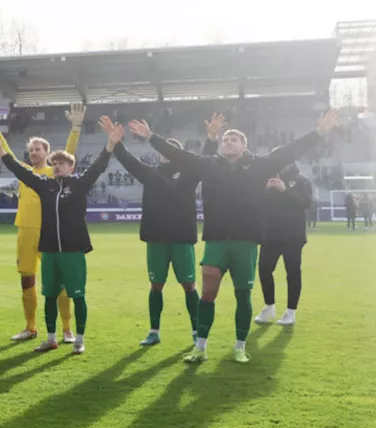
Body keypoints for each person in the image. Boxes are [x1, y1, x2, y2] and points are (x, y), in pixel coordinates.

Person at [131, 109, 339, 364]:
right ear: (220, 146)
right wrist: (151, 136)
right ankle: (201, 347)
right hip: (216, 241)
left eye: (234, 139)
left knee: (243, 295)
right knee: (208, 293)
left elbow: (290, 151)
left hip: (246, 242)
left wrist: (319, 133)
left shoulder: (261, 165)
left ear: (244, 145)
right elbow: (178, 154)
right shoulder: (208, 165)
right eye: (225, 139)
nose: (229, 142)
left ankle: (240, 346)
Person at [0, 122, 116, 355]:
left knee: (76, 295)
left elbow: (99, 167)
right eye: (55, 163)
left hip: (73, 250)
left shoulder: (79, 185)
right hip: (49, 250)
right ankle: (50, 337)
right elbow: (21, 171)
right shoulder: (45, 185)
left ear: (72, 166)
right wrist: (2, 152)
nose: (57, 166)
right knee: (49, 294)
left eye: (62, 163)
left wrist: (110, 144)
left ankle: (78, 338)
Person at [0, 103, 84, 343]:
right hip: (25, 231)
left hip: (50, 233)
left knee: (58, 283)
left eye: (38, 149)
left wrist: (76, 128)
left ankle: (67, 329)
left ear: (47, 152)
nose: (33, 153)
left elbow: (69, 153)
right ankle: (30, 327)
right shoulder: (25, 172)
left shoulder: (54, 173)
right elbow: (5, 150)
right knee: (26, 279)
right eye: (31, 150)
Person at [110, 114, 211, 347]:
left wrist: (212, 137)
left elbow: (205, 159)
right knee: (156, 285)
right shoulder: (151, 173)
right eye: (165, 150)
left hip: (182, 238)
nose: (167, 153)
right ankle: (154, 331)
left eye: (172, 149)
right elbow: (127, 160)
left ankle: (196, 331)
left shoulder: (190, 174)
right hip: (156, 238)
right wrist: (116, 141)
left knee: (189, 285)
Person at [253, 164, 311, 327]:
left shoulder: (301, 180)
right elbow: (257, 204)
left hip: (293, 235)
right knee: (264, 269)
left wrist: (285, 190)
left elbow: (305, 203)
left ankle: (290, 311)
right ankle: (269, 306)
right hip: (270, 234)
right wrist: (264, 190)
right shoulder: (267, 178)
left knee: (292, 272)